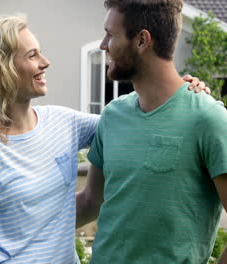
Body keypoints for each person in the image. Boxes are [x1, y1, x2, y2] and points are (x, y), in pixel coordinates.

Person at [0, 14, 210, 264]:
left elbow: (134, 124)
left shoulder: (64, 123)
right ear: (3, 67)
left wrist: (179, 94)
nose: (45, 62)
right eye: (32, 55)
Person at [76, 1, 227, 263]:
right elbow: (91, 200)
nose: (103, 45)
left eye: (111, 35)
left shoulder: (208, 118)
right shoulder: (112, 116)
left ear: (142, 40)